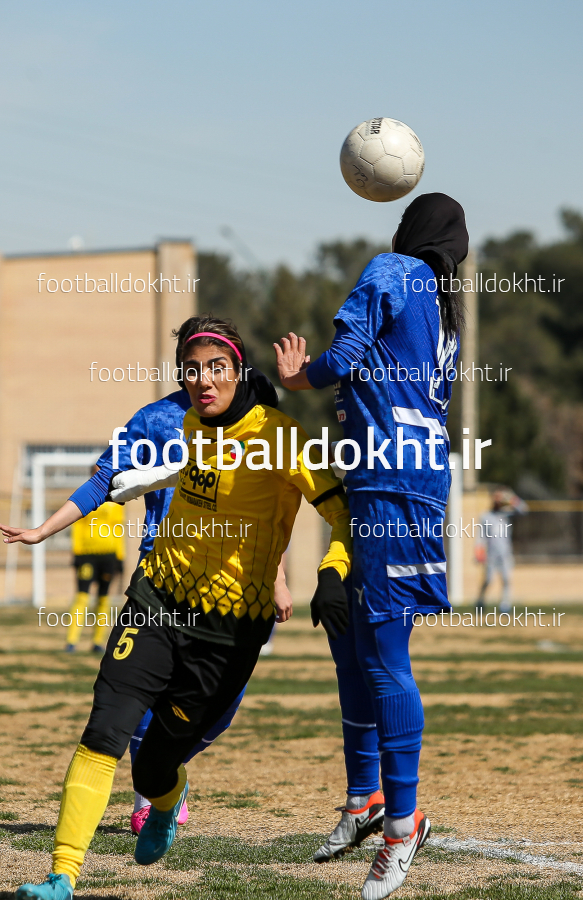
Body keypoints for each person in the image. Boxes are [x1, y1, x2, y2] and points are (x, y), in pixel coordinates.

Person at [6, 315, 351, 900]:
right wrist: (44, 529)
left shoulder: (283, 439)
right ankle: (61, 876)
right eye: (191, 370)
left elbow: (338, 512)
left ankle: (165, 799)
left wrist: (332, 573)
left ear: (239, 371)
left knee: (155, 766)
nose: (202, 380)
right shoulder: (182, 423)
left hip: (229, 629)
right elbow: (115, 479)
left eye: (216, 368)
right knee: (105, 729)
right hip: (156, 598)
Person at [275, 193, 469, 900]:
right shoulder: (445, 307)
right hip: (409, 479)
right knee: (358, 641)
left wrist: (301, 377)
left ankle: (402, 827)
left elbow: (345, 356)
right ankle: (369, 801)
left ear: (407, 232)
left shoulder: (392, 272)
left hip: (389, 482)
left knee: (384, 656)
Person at [65, 469, 125, 654]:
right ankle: (72, 641)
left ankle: (98, 641)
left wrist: (120, 556)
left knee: (103, 598)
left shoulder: (118, 499)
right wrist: (76, 552)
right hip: (87, 554)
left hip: (108, 555)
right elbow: (77, 525)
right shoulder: (86, 494)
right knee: (82, 596)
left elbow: (119, 529)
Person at [475, 487, 527, 613]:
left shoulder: (507, 514)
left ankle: (505, 606)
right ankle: (480, 601)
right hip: (491, 554)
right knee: (488, 580)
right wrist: (479, 551)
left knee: (506, 579)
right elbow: (481, 536)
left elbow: (524, 510)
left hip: (505, 553)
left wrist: (511, 499)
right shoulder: (486, 516)